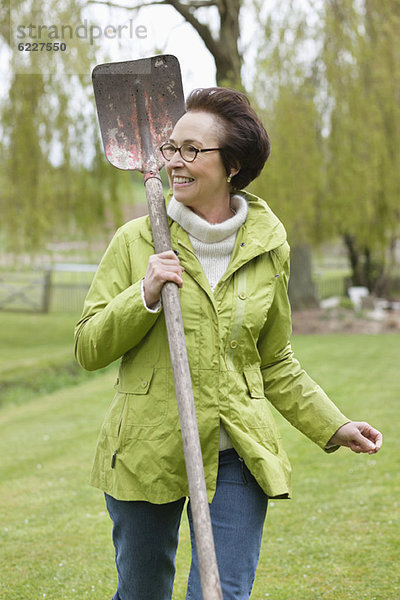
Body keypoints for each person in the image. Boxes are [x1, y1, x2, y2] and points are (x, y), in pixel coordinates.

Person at [74, 87, 383, 600]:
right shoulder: (135, 241)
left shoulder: (268, 246)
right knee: (142, 591)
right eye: (171, 148)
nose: (174, 161)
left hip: (236, 448)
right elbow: (88, 346)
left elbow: (275, 360)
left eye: (192, 150)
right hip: (146, 448)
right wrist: (144, 294)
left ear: (232, 164)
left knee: (224, 592)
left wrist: (335, 424)